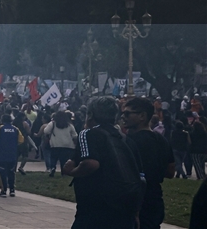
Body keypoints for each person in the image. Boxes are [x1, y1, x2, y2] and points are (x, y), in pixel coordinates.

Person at [63, 96, 144, 229]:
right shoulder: (126, 140)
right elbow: (140, 177)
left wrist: (72, 171)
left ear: (90, 115)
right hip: (125, 208)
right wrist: (136, 212)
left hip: (95, 208)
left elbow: (90, 163)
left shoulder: (88, 134)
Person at [123, 96, 174, 229]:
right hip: (155, 199)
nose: (123, 117)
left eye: (128, 113)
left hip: (134, 202)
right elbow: (170, 171)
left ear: (142, 116)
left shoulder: (129, 142)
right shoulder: (162, 141)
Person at [0, 113, 24, 197]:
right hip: (12, 154)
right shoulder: (16, 129)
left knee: (1, 172)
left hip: (1, 154)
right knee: (11, 172)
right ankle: (12, 190)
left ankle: (3, 190)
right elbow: (21, 140)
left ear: (2, 120)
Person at [43, 110, 78, 177]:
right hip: (67, 145)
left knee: (53, 158)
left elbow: (46, 131)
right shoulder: (69, 125)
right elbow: (75, 135)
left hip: (55, 144)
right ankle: (63, 172)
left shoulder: (52, 124)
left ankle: (53, 168)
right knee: (64, 160)